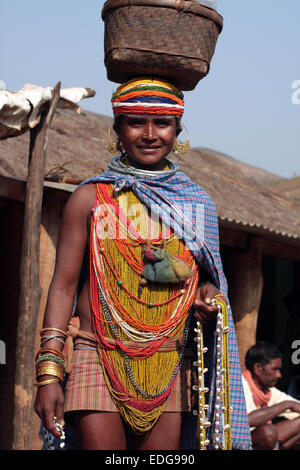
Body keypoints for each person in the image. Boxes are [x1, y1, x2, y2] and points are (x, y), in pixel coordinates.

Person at [34, 77, 251, 450]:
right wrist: (48, 374)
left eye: (162, 124)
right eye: (136, 122)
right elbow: (63, 286)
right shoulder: (91, 199)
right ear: (117, 129)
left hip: (168, 361)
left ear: (177, 130)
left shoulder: (194, 205)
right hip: (97, 353)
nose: (150, 134)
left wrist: (209, 294)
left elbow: (207, 279)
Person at [242, 341, 300, 450]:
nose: (279, 375)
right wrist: (286, 405)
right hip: (242, 442)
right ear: (258, 368)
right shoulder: (240, 385)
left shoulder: (268, 391)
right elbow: (246, 420)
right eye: (275, 369)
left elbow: (296, 406)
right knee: (268, 432)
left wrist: (290, 404)